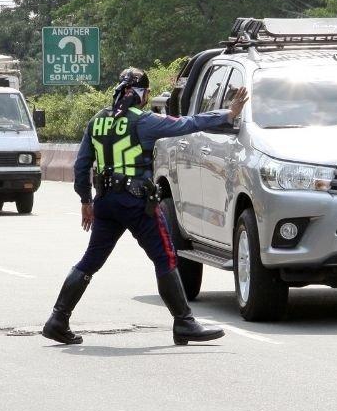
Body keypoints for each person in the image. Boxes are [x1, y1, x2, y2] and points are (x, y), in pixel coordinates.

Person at [42, 67, 249, 346]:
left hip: (105, 203)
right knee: (165, 257)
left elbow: (81, 165)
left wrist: (85, 201)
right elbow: (187, 124)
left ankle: (58, 319)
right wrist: (228, 114)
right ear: (142, 94)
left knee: (91, 261)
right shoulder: (144, 121)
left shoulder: (97, 121)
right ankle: (184, 323)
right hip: (137, 204)